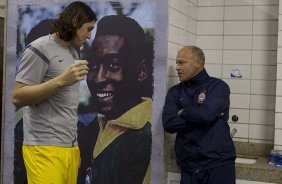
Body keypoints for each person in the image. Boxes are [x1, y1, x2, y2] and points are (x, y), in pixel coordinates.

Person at [12, 2, 97, 184]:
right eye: (88, 29)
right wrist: (61, 80)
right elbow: (17, 97)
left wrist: (73, 149)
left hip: (69, 149)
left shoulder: (73, 52)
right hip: (43, 148)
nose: (89, 35)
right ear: (75, 22)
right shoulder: (39, 48)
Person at [78, 15, 154, 184]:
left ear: (141, 72)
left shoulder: (147, 137)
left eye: (113, 65)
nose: (98, 78)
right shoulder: (93, 127)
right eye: (93, 66)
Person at [162, 46, 236, 184]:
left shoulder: (218, 87)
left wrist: (182, 112)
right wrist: (205, 117)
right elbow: (169, 123)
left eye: (181, 62)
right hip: (188, 166)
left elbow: (206, 115)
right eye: (176, 63)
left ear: (198, 63)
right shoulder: (175, 92)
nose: (177, 67)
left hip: (217, 164)